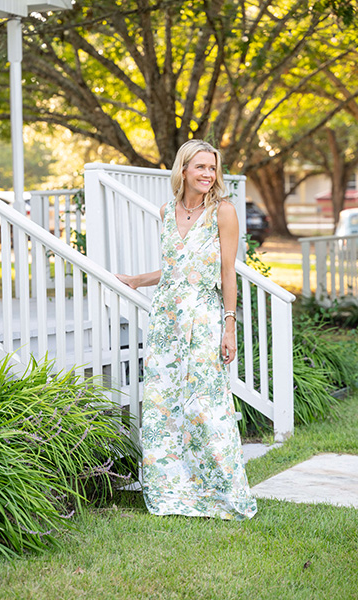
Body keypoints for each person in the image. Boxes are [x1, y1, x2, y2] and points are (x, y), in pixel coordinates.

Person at [116, 140, 257, 520]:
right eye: (201, 168)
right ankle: (172, 487)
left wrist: (229, 326)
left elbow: (227, 273)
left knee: (206, 404)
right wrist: (137, 280)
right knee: (164, 402)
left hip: (205, 316)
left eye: (212, 169)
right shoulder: (166, 211)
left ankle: (223, 490)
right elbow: (177, 269)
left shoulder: (223, 212)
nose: (208, 175)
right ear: (183, 170)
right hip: (166, 318)